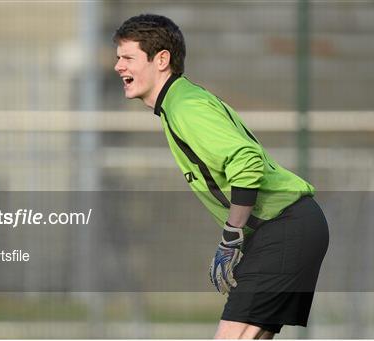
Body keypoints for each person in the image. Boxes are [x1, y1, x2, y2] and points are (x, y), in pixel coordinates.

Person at [113, 14, 329, 339]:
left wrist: (232, 235)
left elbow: (246, 160)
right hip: (284, 230)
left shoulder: (185, 106)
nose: (118, 66)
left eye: (127, 57)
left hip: (284, 228)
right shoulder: (179, 102)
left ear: (161, 60)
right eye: (118, 58)